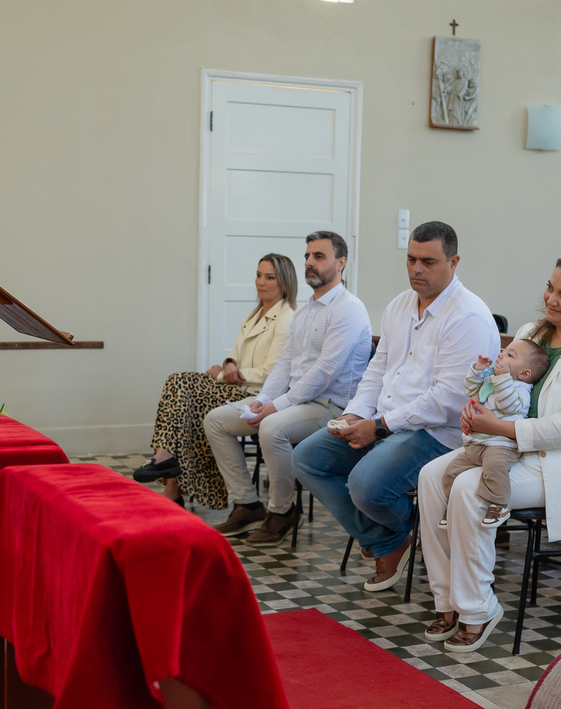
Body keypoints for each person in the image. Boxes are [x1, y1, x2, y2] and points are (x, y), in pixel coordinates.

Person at [417, 252, 561, 652]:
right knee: (431, 476)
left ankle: (478, 609)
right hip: (505, 445)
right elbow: (502, 385)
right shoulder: (534, 330)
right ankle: (445, 599)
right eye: (550, 287)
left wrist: (497, 427)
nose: (550, 299)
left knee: (468, 487)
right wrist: (478, 408)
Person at [292, 221, 499, 590]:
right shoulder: (400, 305)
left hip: (438, 433)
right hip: (386, 421)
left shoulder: (468, 316)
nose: (417, 269)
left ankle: (403, 531)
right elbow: (377, 370)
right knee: (308, 458)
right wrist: (355, 413)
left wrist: (381, 425)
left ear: (454, 262)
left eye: (428, 261)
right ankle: (389, 539)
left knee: (366, 484)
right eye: (411, 259)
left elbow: (448, 402)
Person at [204, 231, 372, 543]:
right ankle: (246, 504)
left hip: (333, 408)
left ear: (341, 263)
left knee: (271, 428)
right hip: (295, 403)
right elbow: (285, 364)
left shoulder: (349, 309)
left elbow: (324, 373)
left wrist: (275, 407)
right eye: (308, 256)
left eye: (319, 257)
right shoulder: (306, 311)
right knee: (216, 420)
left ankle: (282, 512)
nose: (309, 262)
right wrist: (264, 398)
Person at [133, 255, 297, 507]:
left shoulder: (287, 318)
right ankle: (169, 476)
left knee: (184, 390)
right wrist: (228, 363)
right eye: (258, 275)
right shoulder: (253, 316)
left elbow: (272, 373)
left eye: (269, 277)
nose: (260, 282)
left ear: (284, 282)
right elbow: (238, 359)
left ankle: (167, 468)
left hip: (260, 395)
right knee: (179, 386)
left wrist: (222, 374)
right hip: (238, 387)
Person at [438, 339, 551, 526]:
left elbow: (508, 405)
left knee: (495, 468)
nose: (501, 355)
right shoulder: (493, 381)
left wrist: (503, 378)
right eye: (503, 351)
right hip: (477, 444)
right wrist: (477, 370)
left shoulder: (521, 389)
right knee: (451, 472)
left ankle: (499, 504)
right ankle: (452, 508)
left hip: (502, 445)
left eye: (510, 355)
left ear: (524, 374)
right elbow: (469, 389)